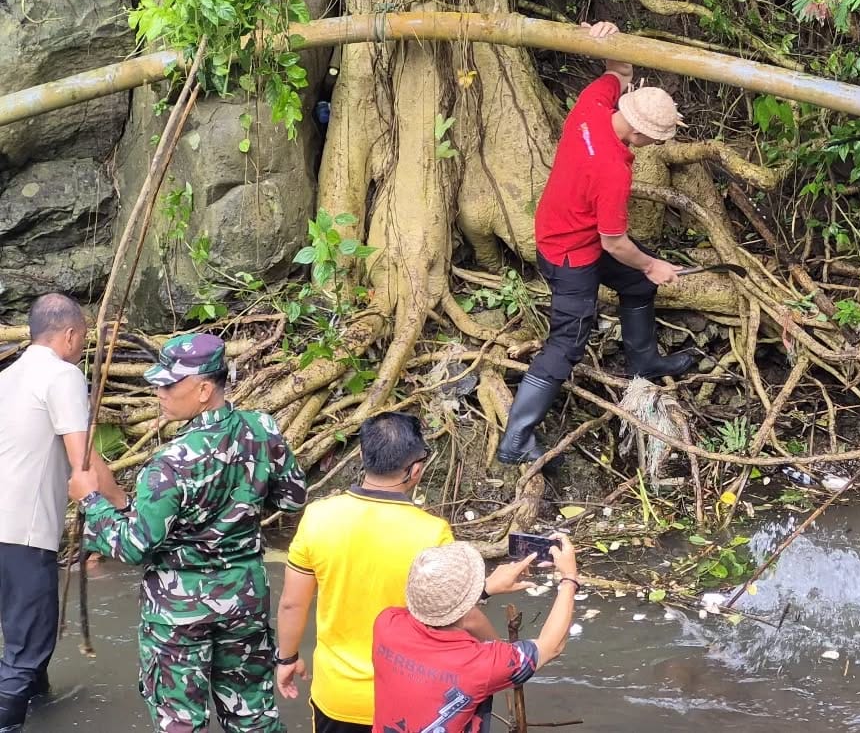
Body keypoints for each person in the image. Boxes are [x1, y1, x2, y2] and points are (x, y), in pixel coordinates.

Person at [70, 332, 307, 732]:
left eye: (168, 384)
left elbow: (133, 546)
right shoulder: (262, 429)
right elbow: (293, 499)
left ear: (202, 389)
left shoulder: (170, 463)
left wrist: (91, 500)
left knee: (181, 721)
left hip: (179, 609)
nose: (159, 392)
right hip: (245, 597)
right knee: (252, 715)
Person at [498, 20, 695, 468]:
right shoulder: (613, 171)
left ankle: (644, 366)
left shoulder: (593, 105)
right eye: (653, 141)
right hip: (572, 253)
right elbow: (615, 242)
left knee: (637, 287)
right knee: (568, 341)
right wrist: (652, 265)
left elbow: (617, 69)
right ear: (640, 135)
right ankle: (516, 440)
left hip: (565, 228)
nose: (650, 148)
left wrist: (609, 33)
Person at [273, 411, 539, 732]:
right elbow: (458, 617)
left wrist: (287, 660)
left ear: (362, 455)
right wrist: (502, 651)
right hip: (407, 700)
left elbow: (292, 603)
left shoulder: (317, 516)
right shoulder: (431, 533)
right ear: (415, 469)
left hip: (337, 695)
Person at [0, 294, 126, 732]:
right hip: (24, 533)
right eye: (84, 337)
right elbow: (84, 458)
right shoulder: (62, 376)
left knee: (21, 636)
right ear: (70, 335)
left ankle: (42, 706)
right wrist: (122, 505)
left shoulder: (7, 376)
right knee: (29, 645)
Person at [371, 537, 580, 733]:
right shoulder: (479, 664)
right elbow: (552, 646)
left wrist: (483, 590)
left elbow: (455, 615)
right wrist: (569, 579)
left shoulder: (386, 624)